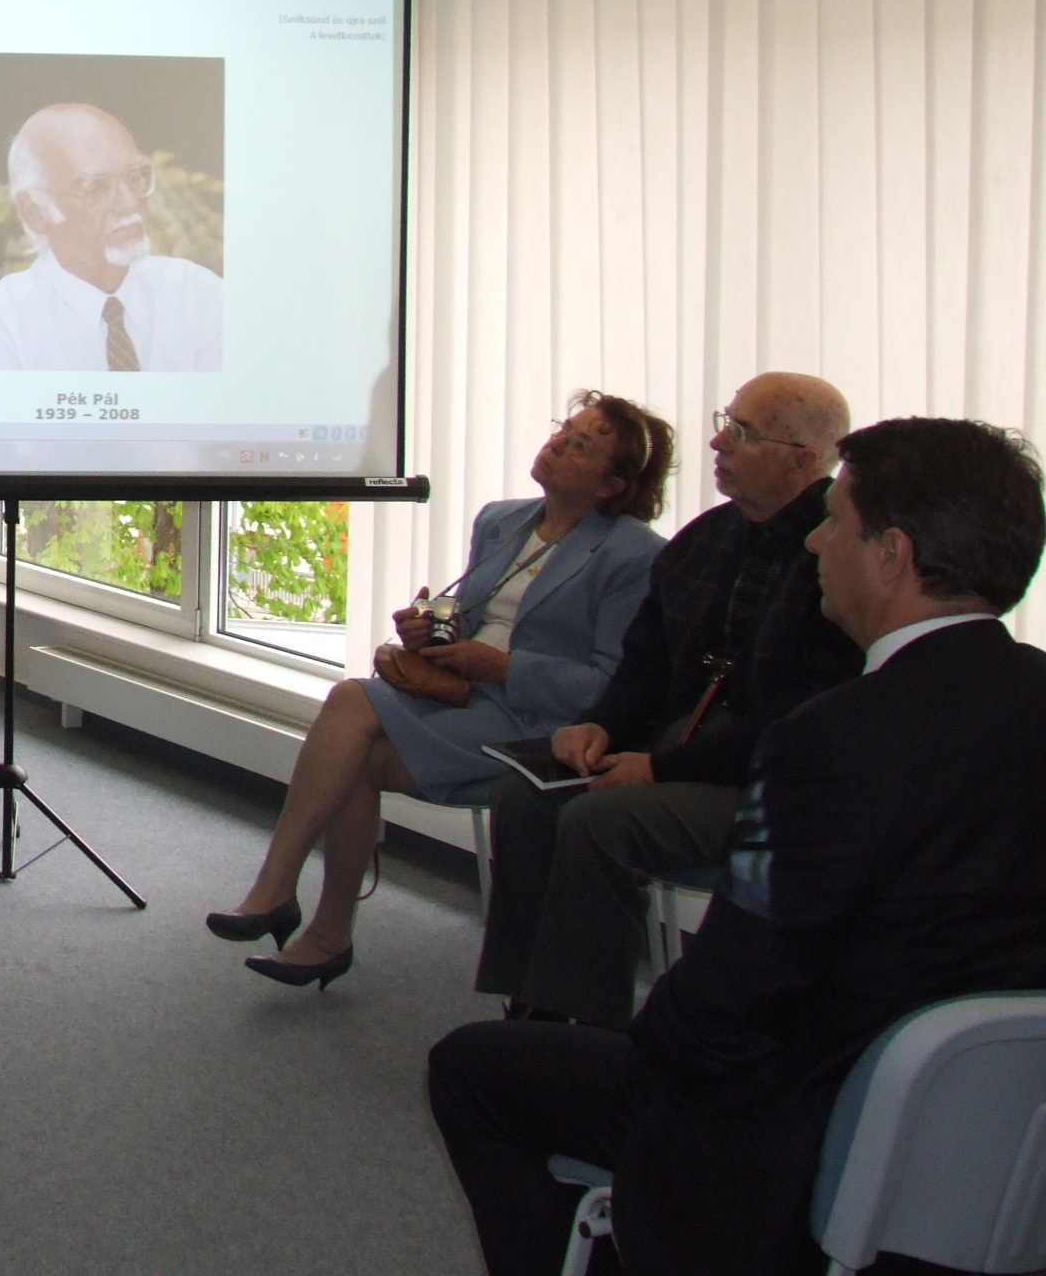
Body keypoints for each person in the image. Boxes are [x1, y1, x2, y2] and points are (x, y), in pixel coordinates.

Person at [429, 416, 1046, 1276]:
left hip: (801, 1127)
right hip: (996, 1139)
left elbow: (728, 1002)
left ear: (891, 554)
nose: (816, 542)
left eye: (835, 522)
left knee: (472, 1069)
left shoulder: (828, 741)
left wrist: (646, 1042)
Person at [207, 392, 674, 988]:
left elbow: (611, 687)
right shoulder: (503, 520)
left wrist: (504, 668)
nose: (558, 443)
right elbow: (476, 619)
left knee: (350, 714)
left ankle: (290, 904)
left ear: (612, 485)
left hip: (537, 724)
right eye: (565, 429)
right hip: (464, 697)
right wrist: (430, 631)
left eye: (581, 445)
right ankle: (316, 927)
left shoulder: (635, 556)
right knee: (352, 744)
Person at [475, 372, 858, 1027]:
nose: (716, 441)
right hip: (675, 751)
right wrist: (600, 725)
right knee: (526, 798)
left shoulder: (839, 558)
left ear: (802, 461)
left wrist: (657, 767)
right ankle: (532, 1010)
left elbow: (799, 724)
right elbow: (644, 666)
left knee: (601, 820)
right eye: (724, 421)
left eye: (741, 432)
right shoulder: (705, 539)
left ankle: (588, 1034)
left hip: (768, 784)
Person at [0, 103, 220, 371]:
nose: (129, 202)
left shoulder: (200, 299)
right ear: (35, 212)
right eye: (95, 188)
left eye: (133, 177)